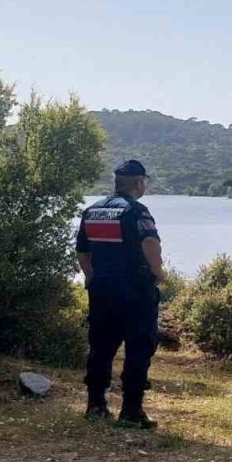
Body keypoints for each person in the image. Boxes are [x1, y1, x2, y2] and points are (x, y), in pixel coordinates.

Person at [75, 159, 166, 429]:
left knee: (101, 347)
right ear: (138, 183)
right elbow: (150, 242)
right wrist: (159, 272)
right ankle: (131, 412)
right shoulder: (136, 211)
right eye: (144, 182)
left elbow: (83, 252)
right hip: (135, 291)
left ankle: (96, 405)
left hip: (102, 292)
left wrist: (92, 276)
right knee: (139, 347)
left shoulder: (92, 211)